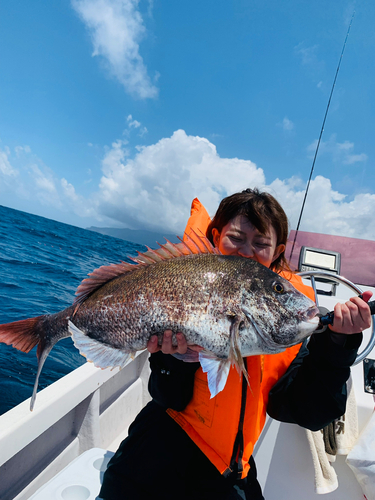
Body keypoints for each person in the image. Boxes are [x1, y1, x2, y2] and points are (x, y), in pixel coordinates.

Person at [99, 188, 372, 500]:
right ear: (216, 235)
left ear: (277, 251)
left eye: (260, 244)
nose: (246, 251)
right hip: (158, 448)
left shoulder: (284, 319)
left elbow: (306, 412)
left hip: (229, 468)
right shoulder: (189, 284)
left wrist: (337, 345)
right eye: (236, 238)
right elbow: (168, 397)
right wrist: (171, 361)